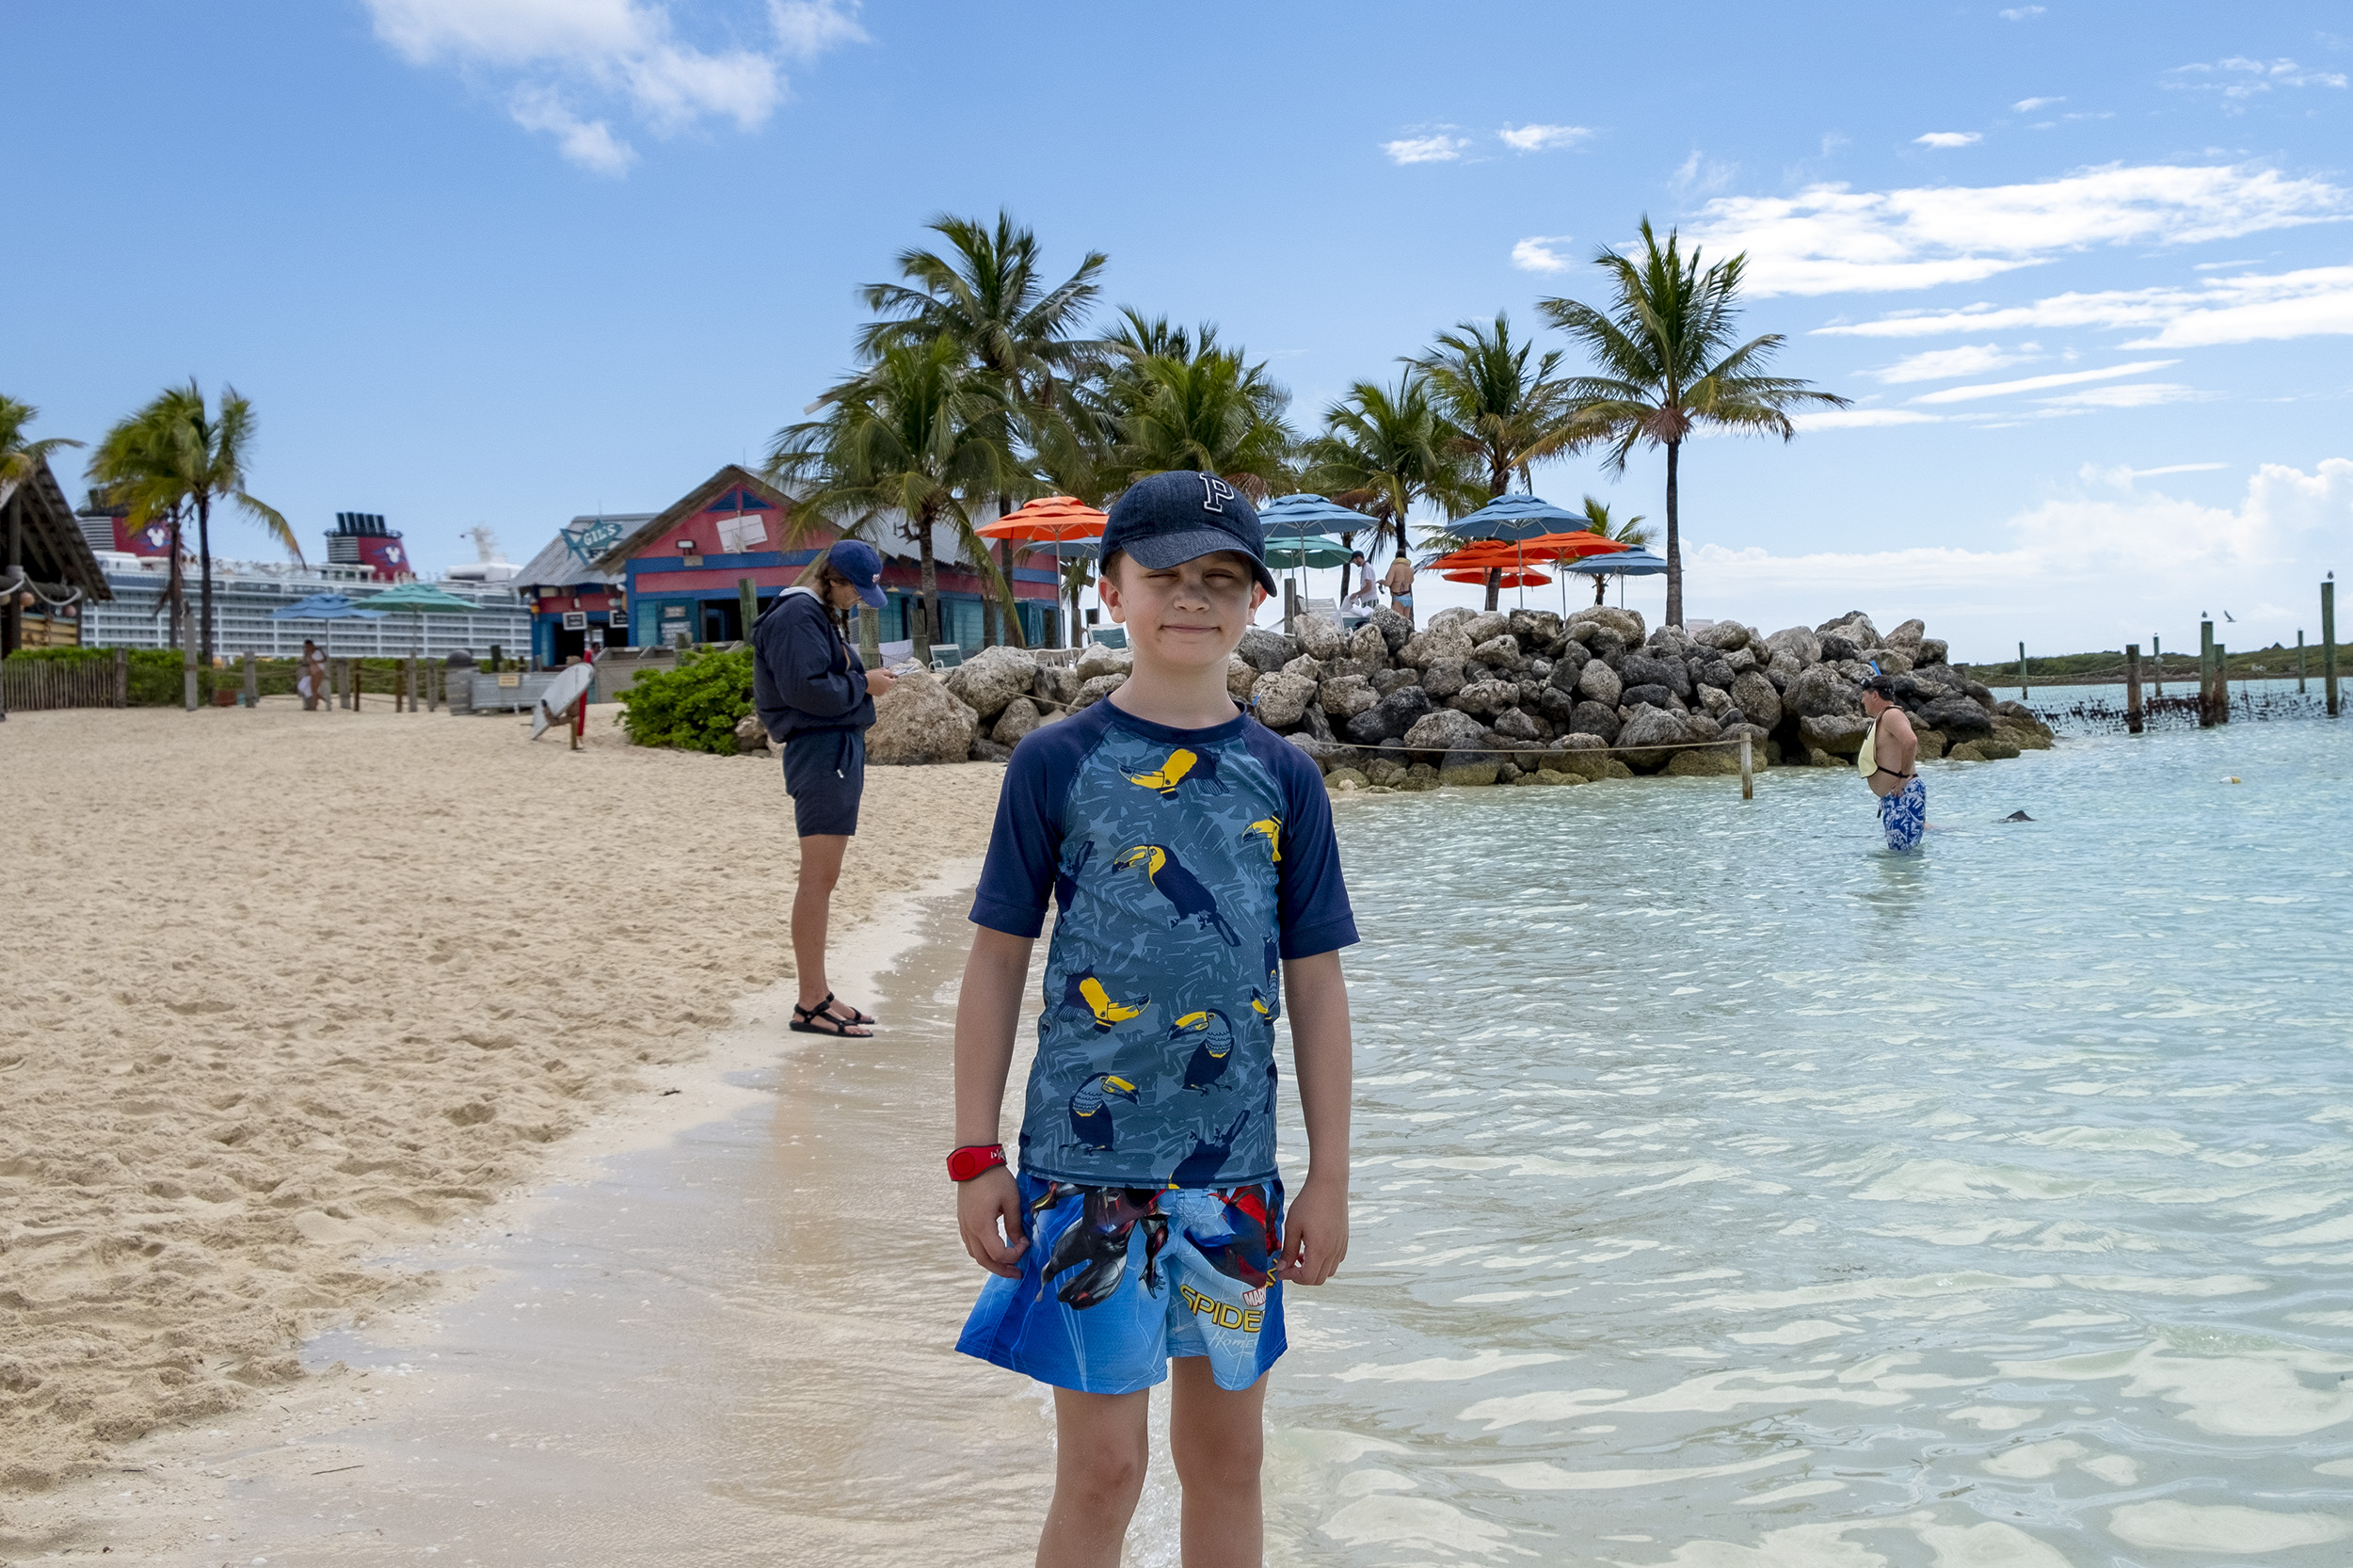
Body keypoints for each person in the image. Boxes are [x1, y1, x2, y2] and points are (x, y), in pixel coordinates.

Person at [951, 470, 1358, 1567]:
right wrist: (975, 1152)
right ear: (1110, 588)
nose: (1193, 598)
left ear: (1257, 602)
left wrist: (1327, 1173)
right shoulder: (1056, 762)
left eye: (1222, 578)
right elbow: (995, 964)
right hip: (1084, 1181)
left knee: (1228, 1462)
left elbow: (1316, 985)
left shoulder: (1283, 778)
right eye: (1165, 575)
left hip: (1234, 1189)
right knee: (1103, 1469)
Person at [750, 540, 897, 1036]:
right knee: (818, 879)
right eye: (855, 591)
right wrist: (866, 685)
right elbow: (807, 690)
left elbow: (823, 674)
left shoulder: (813, 613)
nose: (857, 601)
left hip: (831, 750)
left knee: (823, 878)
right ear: (831, 579)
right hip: (819, 753)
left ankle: (818, 995)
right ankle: (809, 1002)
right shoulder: (797, 615)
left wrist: (858, 674)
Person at [1858, 675, 1925, 852]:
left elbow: (1910, 741)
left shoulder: (1891, 714)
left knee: (1902, 860)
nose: (1861, 699)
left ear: (1874, 695)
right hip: (1894, 799)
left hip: (1902, 795)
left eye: (1864, 694)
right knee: (1899, 861)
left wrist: (1902, 778)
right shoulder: (1884, 717)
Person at [1383, 549, 1415, 625]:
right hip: (1408, 597)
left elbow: (1388, 582)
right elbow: (1411, 581)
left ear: (1396, 557)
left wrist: (1381, 581)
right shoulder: (1410, 569)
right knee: (1406, 623)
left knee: (1397, 623)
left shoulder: (1394, 567)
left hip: (1398, 597)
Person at [296, 639, 327, 712]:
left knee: (314, 690)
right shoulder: (307, 652)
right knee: (312, 690)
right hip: (313, 670)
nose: (307, 648)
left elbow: (324, 659)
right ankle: (320, 701)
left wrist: (316, 661)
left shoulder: (318, 651)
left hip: (318, 670)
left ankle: (314, 706)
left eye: (308, 646)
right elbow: (309, 662)